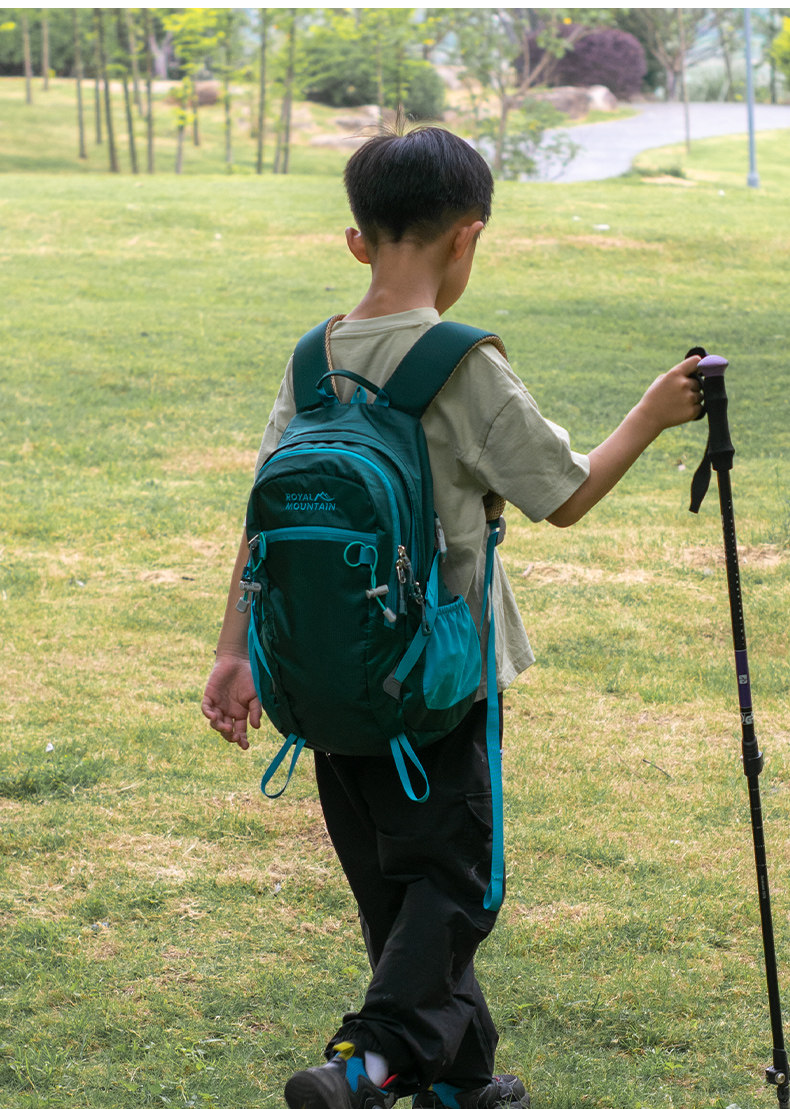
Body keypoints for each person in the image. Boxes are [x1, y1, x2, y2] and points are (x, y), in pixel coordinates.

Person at [201, 123, 702, 1109]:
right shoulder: (459, 362)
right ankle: (369, 1063)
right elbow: (563, 493)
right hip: (435, 681)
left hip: (324, 678)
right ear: (469, 236)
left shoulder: (313, 360)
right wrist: (651, 412)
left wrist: (234, 650)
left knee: (398, 897)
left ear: (357, 240)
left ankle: (459, 1084)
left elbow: (266, 520)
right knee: (457, 884)